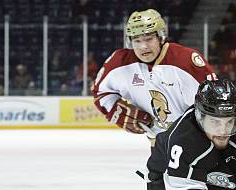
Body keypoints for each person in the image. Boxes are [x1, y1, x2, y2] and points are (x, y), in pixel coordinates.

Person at [92, 9, 216, 144]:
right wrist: (118, 112)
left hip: (197, 142)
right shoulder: (119, 63)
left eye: (149, 39)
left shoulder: (185, 60)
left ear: (161, 36)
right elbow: (100, 92)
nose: (143, 46)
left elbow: (215, 101)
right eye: (137, 41)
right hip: (158, 143)